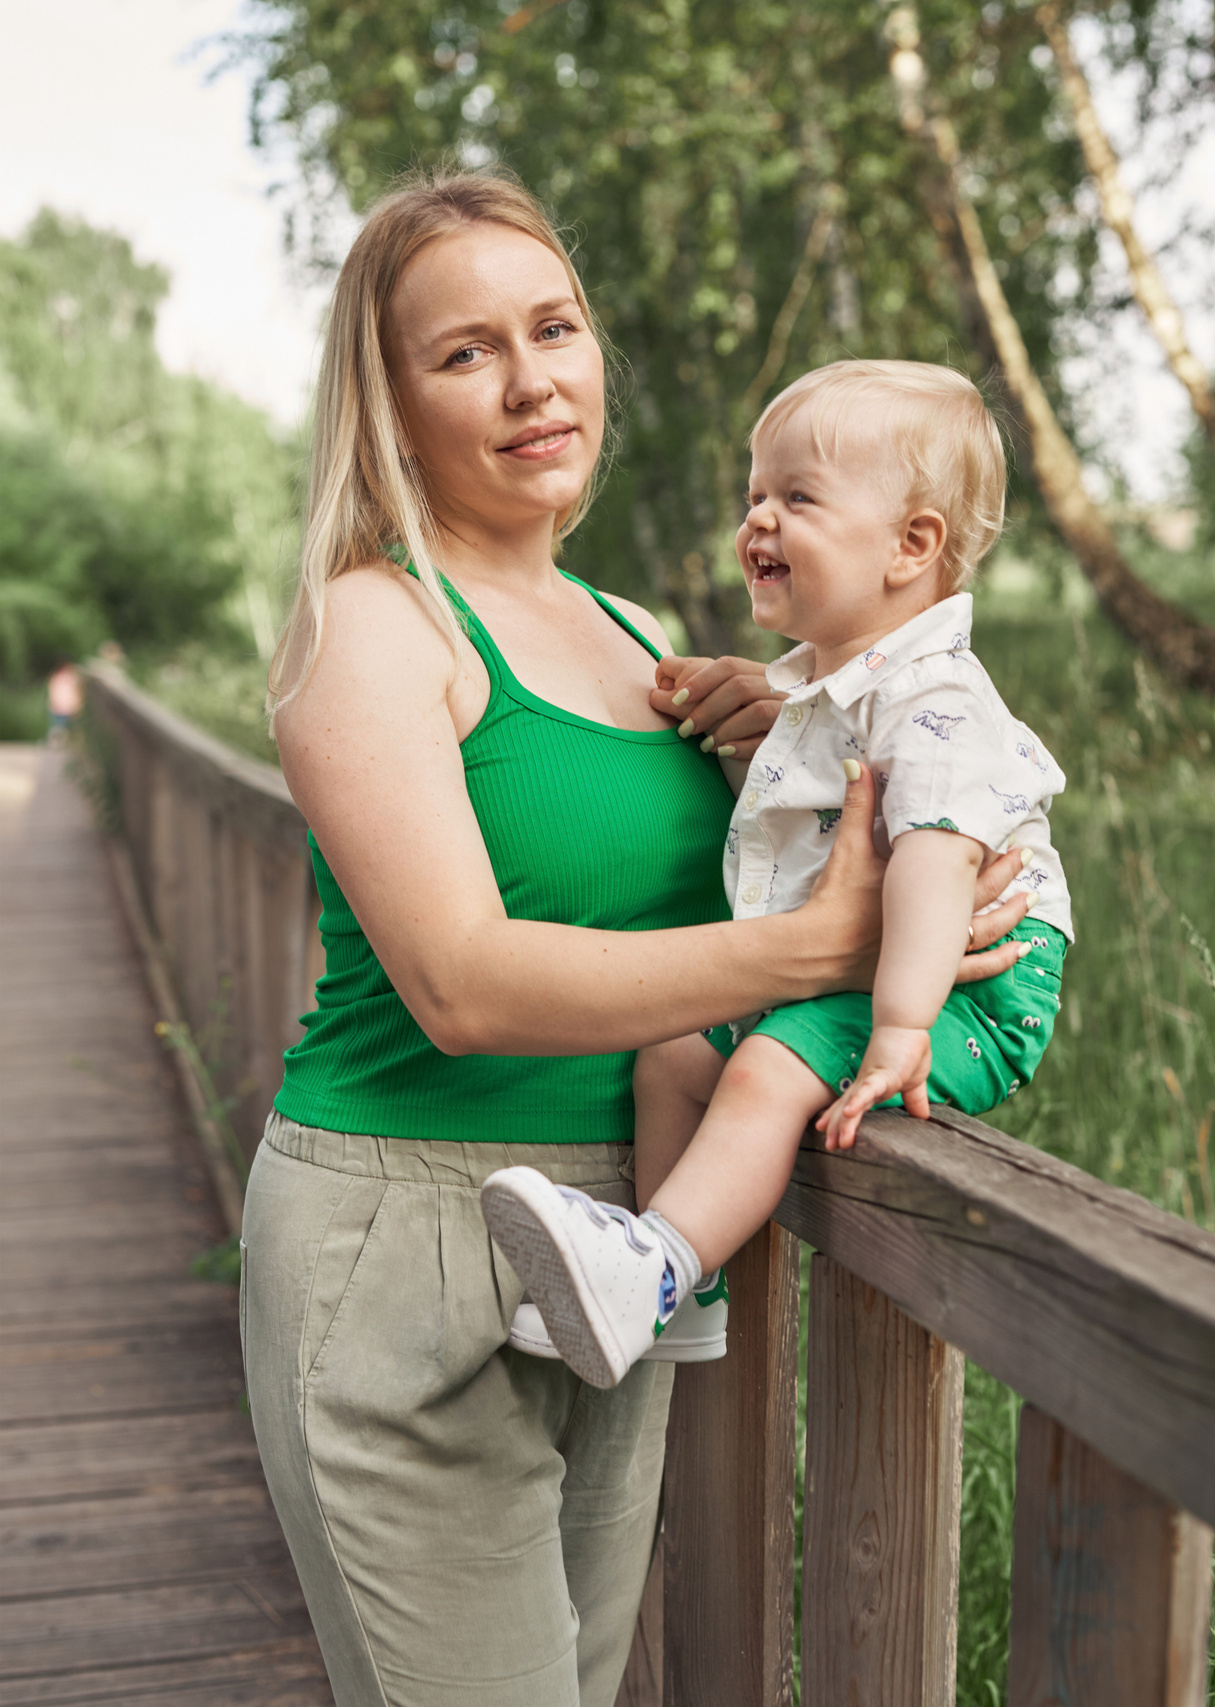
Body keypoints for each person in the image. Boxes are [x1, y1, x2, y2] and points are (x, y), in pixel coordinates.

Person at [239, 166, 1030, 1706]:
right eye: (465, 351)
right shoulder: (373, 626)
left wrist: (772, 753)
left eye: (556, 327)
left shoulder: (633, 632)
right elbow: (463, 979)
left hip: (621, 1244)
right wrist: (824, 950)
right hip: (411, 1247)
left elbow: (667, 892)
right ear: (389, 404)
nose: (535, 380)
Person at [481, 359, 1072, 1389]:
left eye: (797, 498)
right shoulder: (834, 688)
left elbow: (932, 869)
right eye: (755, 494)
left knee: (762, 1071)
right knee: (671, 1051)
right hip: (878, 969)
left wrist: (900, 1031)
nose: (757, 521)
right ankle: (677, 1295)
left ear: (912, 546)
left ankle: (654, 1265)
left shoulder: (934, 700)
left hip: (965, 990)